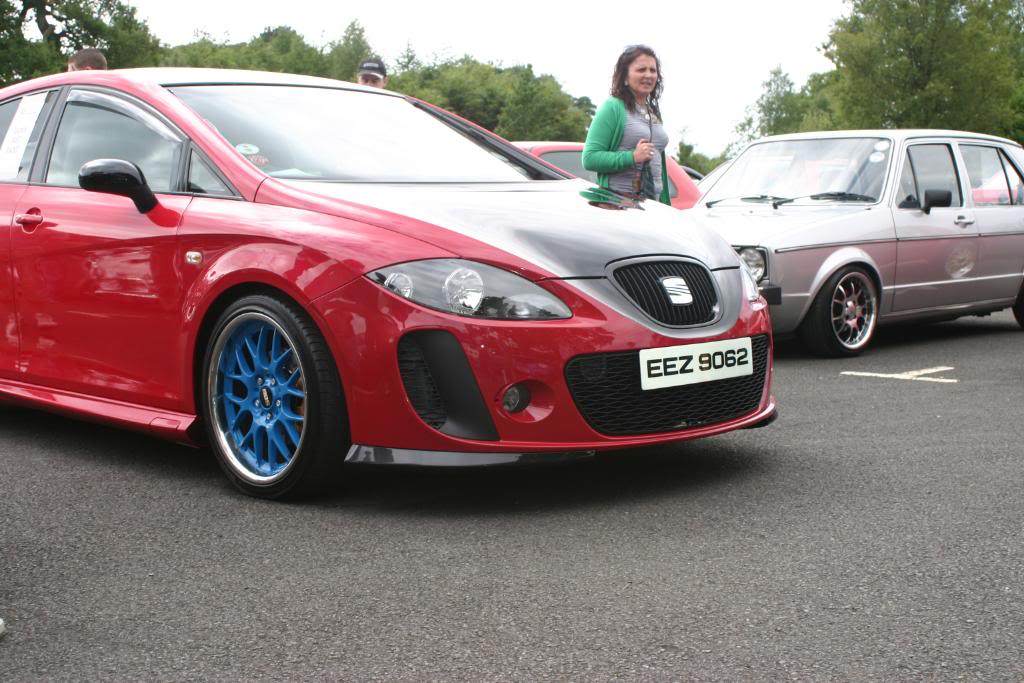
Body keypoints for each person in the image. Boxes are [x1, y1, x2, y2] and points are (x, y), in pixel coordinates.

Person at [582, 45, 671, 205]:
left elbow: (658, 163)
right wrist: (632, 157)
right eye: (641, 69)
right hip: (617, 205)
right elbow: (589, 158)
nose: (648, 75)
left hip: (653, 206)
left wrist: (665, 202)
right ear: (624, 76)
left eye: (653, 70)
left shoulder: (654, 112)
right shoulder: (613, 107)